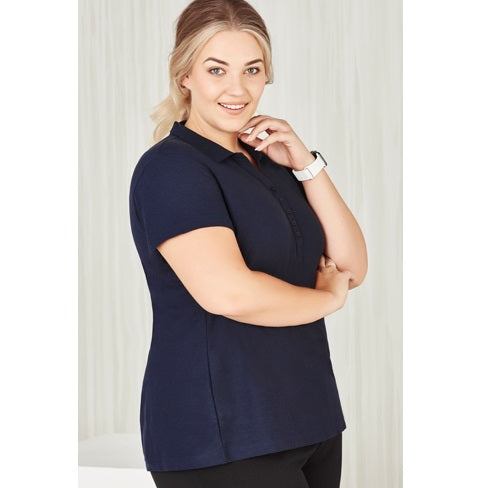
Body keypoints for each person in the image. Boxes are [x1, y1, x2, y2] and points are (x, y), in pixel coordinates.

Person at [128, 0, 368, 486]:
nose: (237, 90)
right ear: (185, 75)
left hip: (310, 417)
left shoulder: (271, 160)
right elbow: (228, 294)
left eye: (252, 70)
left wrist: (306, 164)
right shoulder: (171, 170)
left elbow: (351, 266)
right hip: (222, 434)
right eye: (216, 70)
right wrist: (327, 300)